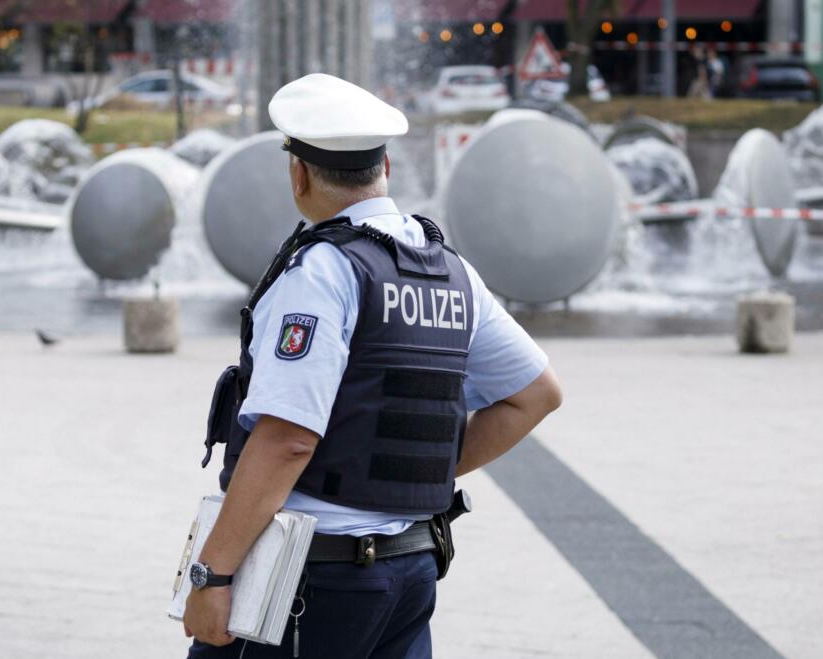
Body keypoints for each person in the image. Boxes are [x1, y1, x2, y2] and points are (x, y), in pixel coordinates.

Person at [183, 73, 562, 658]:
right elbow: (535, 393)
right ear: (385, 165)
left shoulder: (323, 271)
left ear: (299, 173)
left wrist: (214, 575)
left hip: (310, 578)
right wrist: (408, 476)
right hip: (409, 568)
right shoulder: (449, 270)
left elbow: (287, 438)